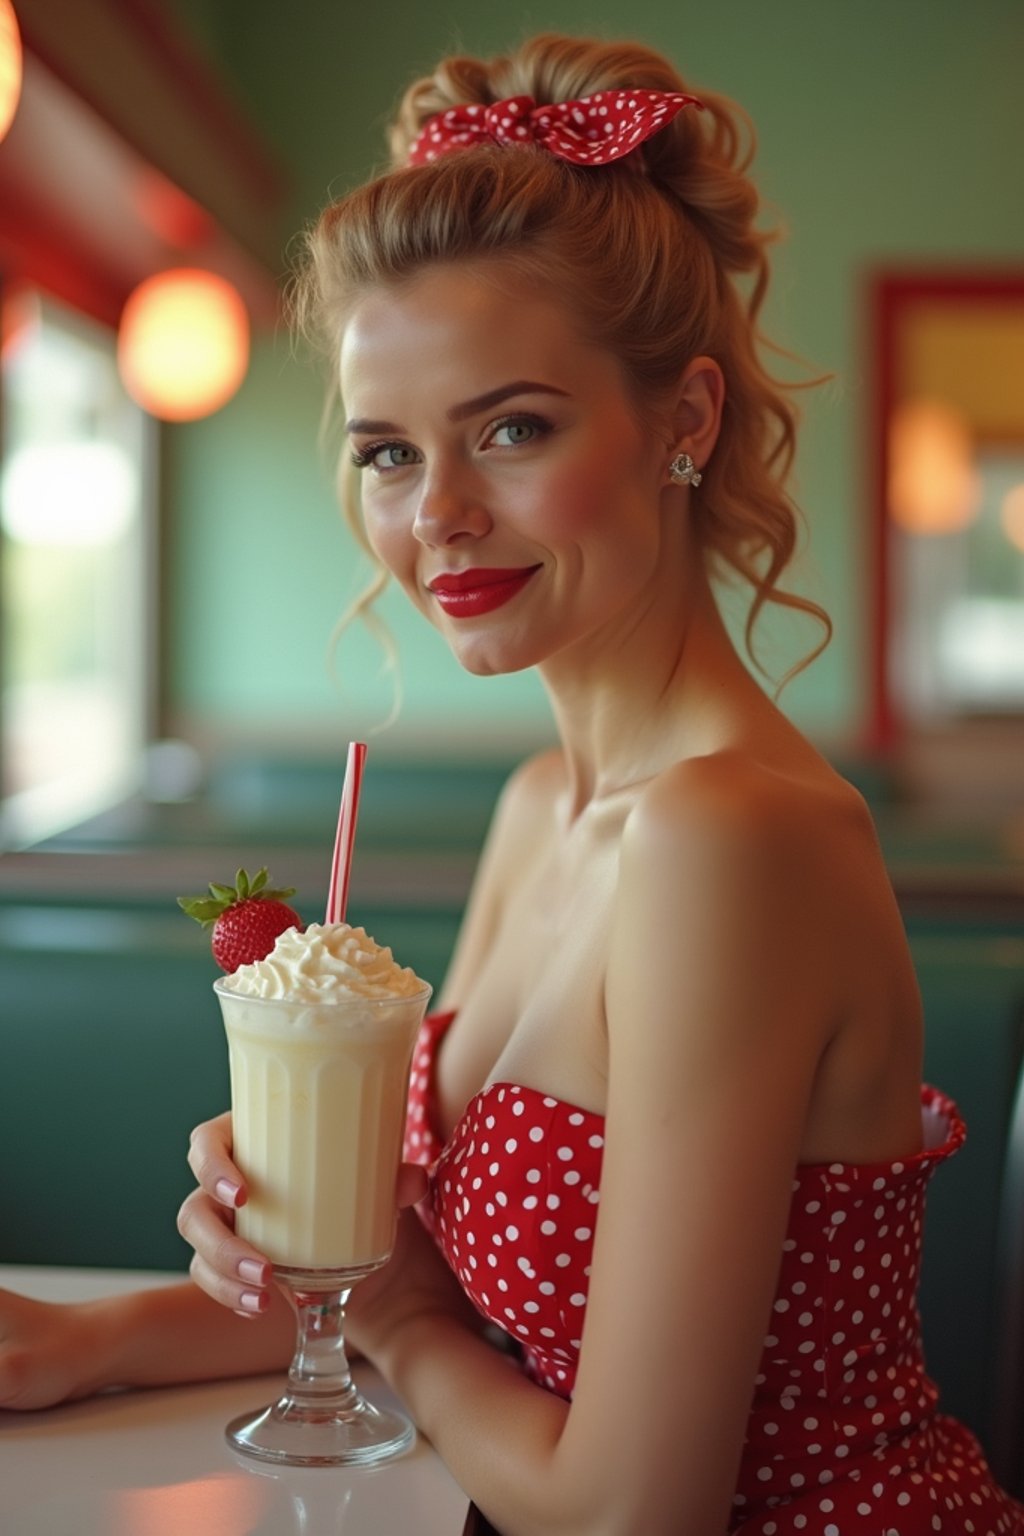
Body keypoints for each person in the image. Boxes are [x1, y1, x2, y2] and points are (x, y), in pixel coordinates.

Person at [1, 31, 1021, 1536]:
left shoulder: (731, 835)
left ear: (684, 420)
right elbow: (430, 1277)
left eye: (513, 428)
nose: (442, 517)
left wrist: (401, 1316)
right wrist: (90, 1340)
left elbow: (629, 1508)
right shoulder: (548, 802)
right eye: (390, 454)